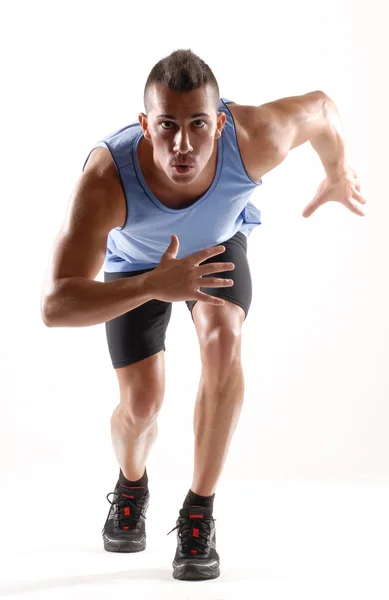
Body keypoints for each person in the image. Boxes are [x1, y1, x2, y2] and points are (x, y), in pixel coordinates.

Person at [40, 48, 366, 581]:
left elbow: (324, 110)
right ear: (145, 125)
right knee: (141, 405)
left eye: (198, 125)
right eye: (167, 126)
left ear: (220, 122)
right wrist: (152, 283)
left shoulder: (255, 136)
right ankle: (131, 482)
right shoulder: (107, 179)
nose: (183, 144)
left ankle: (199, 510)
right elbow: (55, 305)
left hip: (216, 246)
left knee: (222, 340)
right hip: (137, 267)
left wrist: (336, 170)